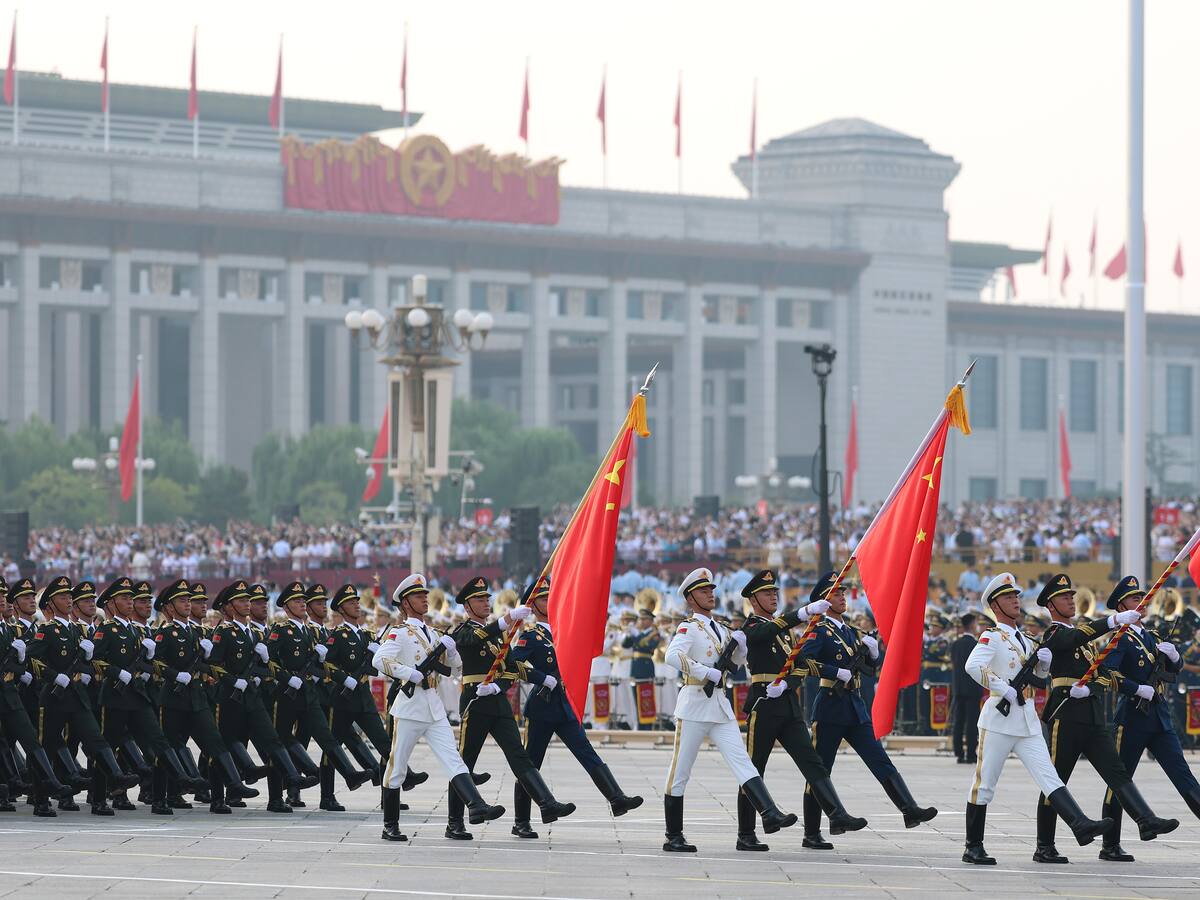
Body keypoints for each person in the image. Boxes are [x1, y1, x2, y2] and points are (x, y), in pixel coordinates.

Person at [961, 572, 1111, 865]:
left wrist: (1044, 665)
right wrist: (1003, 688)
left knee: (1049, 776)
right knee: (985, 784)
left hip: (1026, 719)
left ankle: (1080, 825)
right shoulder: (992, 637)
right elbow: (973, 666)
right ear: (995, 605)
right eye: (1008, 597)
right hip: (999, 721)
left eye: (1016, 596)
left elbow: (1040, 678)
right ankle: (973, 846)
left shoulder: (1028, 640)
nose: (1015, 601)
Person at [1031, 573, 1176, 863]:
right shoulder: (1054, 634)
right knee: (1056, 780)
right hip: (1066, 715)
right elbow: (1074, 637)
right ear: (1051, 605)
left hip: (1093, 715)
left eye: (1071, 596)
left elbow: (1104, 674)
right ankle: (1044, 846)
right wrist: (1112, 621)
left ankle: (1145, 819)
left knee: (1116, 771)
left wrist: (1092, 688)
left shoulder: (1087, 643)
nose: (1070, 600)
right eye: (1063, 597)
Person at [662, 567, 796, 853]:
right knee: (680, 771)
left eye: (711, 590)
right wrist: (704, 672)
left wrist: (741, 649)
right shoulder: (688, 627)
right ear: (690, 599)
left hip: (719, 705)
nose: (710, 594)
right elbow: (672, 656)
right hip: (694, 704)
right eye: (703, 591)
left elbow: (734, 663)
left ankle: (769, 813)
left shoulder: (722, 628)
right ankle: (673, 835)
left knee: (743, 762)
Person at [735, 569, 866, 852]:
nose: (773, 596)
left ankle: (836, 813)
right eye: (767, 593)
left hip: (787, 704)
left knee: (812, 761)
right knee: (753, 769)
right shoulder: (751, 627)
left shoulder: (784, 632)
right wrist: (802, 613)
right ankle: (746, 833)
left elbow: (800, 665)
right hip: (764, 704)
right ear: (753, 600)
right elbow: (764, 633)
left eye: (774, 592)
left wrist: (789, 684)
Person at [805, 572, 937, 841]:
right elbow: (803, 662)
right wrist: (834, 672)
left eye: (843, 592)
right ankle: (812, 832)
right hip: (830, 706)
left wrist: (874, 654)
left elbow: (867, 668)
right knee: (820, 770)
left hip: (855, 706)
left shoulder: (851, 631)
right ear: (823, 600)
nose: (842, 597)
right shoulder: (818, 631)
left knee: (879, 758)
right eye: (836, 593)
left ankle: (909, 809)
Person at [372, 573, 503, 842]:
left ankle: (476, 805)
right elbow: (380, 660)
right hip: (409, 708)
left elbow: (454, 668)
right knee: (397, 767)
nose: (425, 599)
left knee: (453, 759)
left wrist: (452, 651)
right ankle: (390, 825)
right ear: (405, 603)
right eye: (418, 596)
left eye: (425, 594)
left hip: (433, 706)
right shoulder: (399, 633)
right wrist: (409, 673)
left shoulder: (433, 634)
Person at [509, 576, 642, 839]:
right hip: (542, 706)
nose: (551, 601)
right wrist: (541, 678)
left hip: (563, 704)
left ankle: (616, 798)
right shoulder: (531, 636)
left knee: (586, 751)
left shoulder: (564, 630)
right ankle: (521, 821)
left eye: (552, 596)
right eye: (545, 598)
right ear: (533, 606)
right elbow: (512, 664)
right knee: (531, 763)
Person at [445, 575, 575, 841]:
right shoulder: (462, 630)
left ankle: (547, 803)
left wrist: (498, 686)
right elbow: (475, 638)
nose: (486, 603)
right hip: (474, 700)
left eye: (487, 599)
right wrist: (506, 619)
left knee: (519, 755)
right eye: (479, 600)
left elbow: (511, 668)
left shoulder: (501, 636)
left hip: (496, 701)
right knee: (464, 762)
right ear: (467, 606)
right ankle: (455, 822)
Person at [1099, 575, 1200, 861]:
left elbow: (1172, 669)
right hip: (1132, 716)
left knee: (1183, 775)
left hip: (1159, 716)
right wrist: (1136, 688)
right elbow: (1107, 673)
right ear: (1121, 606)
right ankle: (1110, 845)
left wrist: (1176, 657)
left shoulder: (1152, 636)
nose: (1142, 603)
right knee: (1120, 781)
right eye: (1135, 599)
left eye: (1142, 598)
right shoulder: (1119, 638)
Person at [24, 576, 140, 817]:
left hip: (77, 695)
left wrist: (87, 663)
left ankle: (113, 778)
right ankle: (41, 800)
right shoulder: (47, 630)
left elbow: (90, 662)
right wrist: (53, 676)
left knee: (96, 739)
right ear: (50, 603)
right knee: (47, 746)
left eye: (69, 596)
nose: (68, 600)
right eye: (63, 597)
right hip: (54, 696)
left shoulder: (77, 631)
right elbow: (31, 660)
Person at [91, 577, 203, 814]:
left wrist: (148, 662)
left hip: (138, 694)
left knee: (158, 740)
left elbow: (142, 662)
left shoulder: (134, 629)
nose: (130, 602)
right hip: (115, 696)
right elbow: (95, 661)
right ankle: (99, 798)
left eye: (131, 598)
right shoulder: (106, 629)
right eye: (124, 598)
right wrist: (117, 672)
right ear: (111, 603)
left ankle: (176, 781)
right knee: (108, 746)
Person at [207, 581, 317, 813]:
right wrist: (232, 681)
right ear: (229, 606)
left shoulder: (256, 634)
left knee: (271, 739)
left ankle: (288, 781)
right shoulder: (223, 632)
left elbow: (264, 665)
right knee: (226, 743)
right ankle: (219, 798)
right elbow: (213, 666)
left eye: (248, 600)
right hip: (229, 696)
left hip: (253, 696)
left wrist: (265, 663)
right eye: (241, 601)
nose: (247, 604)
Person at [152, 578, 259, 814]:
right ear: (170, 607)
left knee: (214, 741)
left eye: (188, 600)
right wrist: (175, 675)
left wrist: (207, 662)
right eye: (182, 600)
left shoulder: (196, 632)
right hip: (173, 698)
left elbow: (206, 664)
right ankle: (162, 798)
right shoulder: (165, 632)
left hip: (197, 696)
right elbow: (155, 663)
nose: (187, 604)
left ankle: (230, 786)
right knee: (169, 747)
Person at [267, 581, 372, 810]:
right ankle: (277, 796)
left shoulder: (308, 631)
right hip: (286, 693)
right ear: (286, 607)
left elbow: (317, 665)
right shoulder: (280, 629)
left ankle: (348, 774)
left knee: (327, 736)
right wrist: (287, 678)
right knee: (282, 740)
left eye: (303, 600)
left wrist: (320, 668)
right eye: (297, 601)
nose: (302, 604)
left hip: (310, 693)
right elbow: (270, 662)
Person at [951, 614, 982, 764]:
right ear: (972, 625)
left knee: (959, 721)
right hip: (973, 688)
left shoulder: (955, 644)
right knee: (971, 721)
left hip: (958, 688)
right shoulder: (977, 644)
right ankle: (970, 752)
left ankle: (958, 752)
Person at [622, 608, 660, 730]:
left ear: (651, 621)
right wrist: (629, 634)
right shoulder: (638, 633)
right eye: (640, 619)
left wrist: (636, 635)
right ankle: (639, 724)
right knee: (636, 699)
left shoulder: (654, 634)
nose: (641, 621)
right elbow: (625, 645)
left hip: (645, 668)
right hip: (635, 669)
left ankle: (647, 726)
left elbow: (646, 647)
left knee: (646, 698)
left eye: (644, 619)